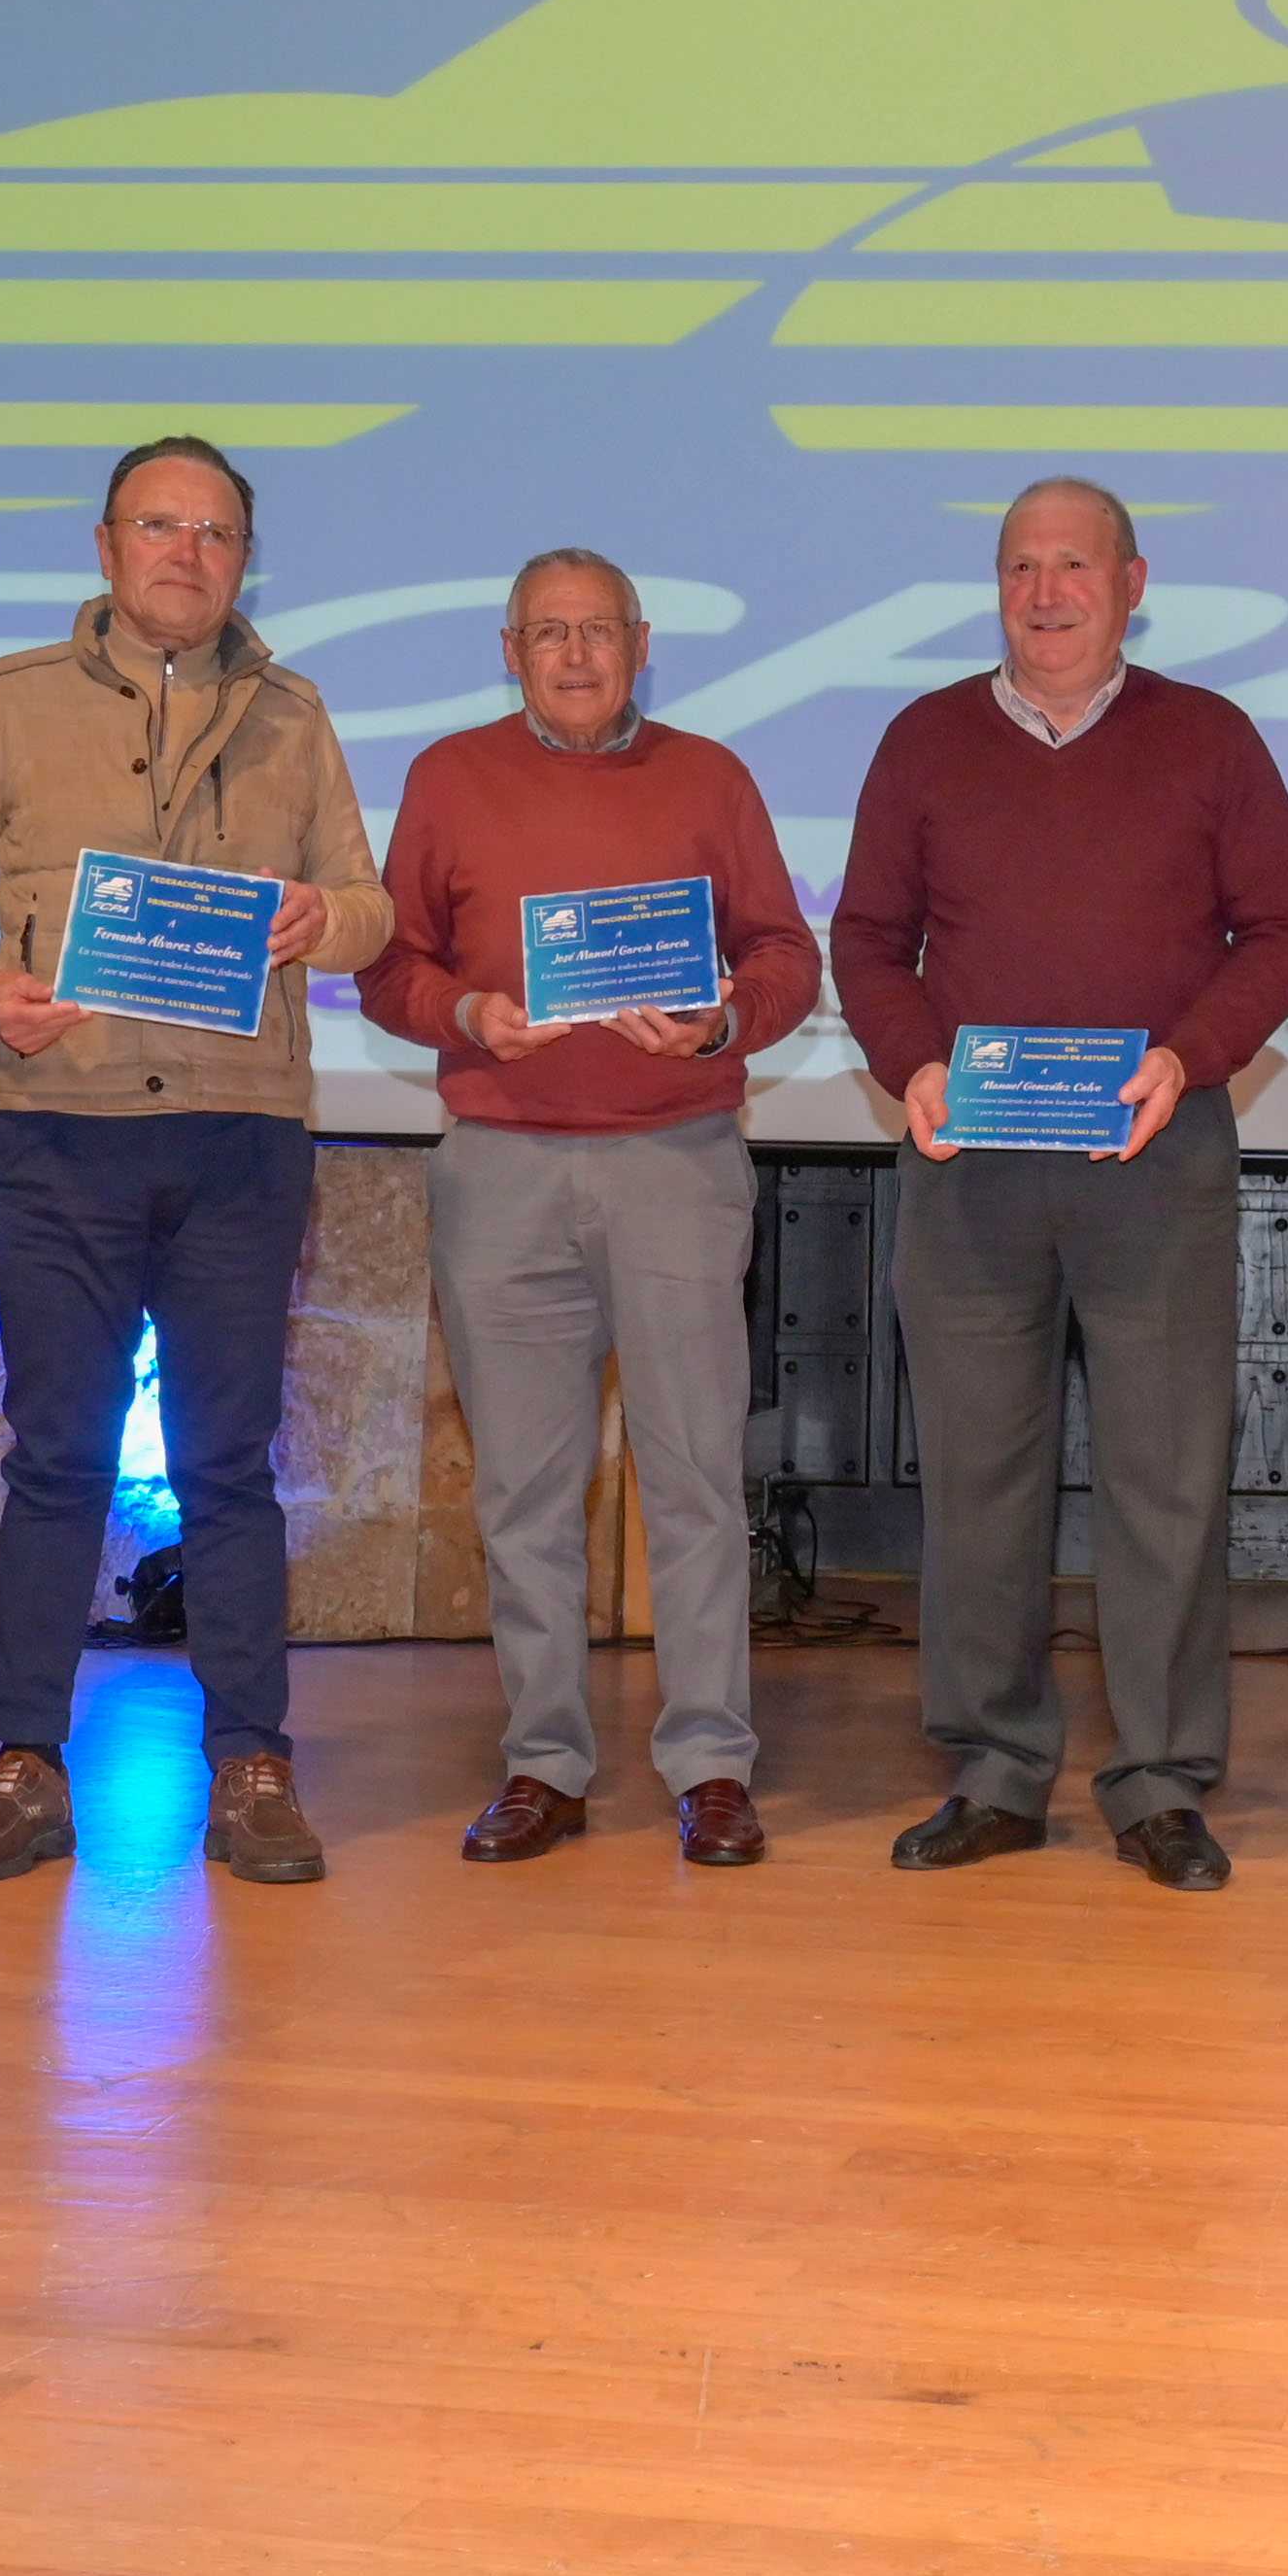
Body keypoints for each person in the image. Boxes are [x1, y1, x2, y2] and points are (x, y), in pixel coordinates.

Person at [0, 435, 390, 1888]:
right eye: (159, 525)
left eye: (217, 531)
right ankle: (23, 1758)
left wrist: (322, 921)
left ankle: (250, 1758)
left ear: (246, 558)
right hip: (64, 1130)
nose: (187, 551)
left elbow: (367, 903)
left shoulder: (297, 714)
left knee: (230, 1463)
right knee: (54, 1455)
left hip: (243, 1134)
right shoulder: (9, 702)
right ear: (106, 546)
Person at [832, 477, 1288, 1891]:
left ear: (1133, 580)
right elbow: (868, 939)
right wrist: (913, 1061)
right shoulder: (923, 739)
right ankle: (994, 1768)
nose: (1047, 591)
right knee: (979, 1479)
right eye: (1020, 567)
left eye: (1074, 565)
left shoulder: (1211, 739)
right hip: (971, 1159)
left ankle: (1161, 1779)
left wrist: (1191, 1054)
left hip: (1154, 1154)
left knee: (1165, 1483)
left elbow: (1283, 933)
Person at [355, 550, 822, 1866]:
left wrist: (725, 1014)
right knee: (523, 1492)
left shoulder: (710, 776)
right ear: (511, 648)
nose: (573, 653)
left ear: (640, 642)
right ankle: (545, 1759)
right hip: (501, 1165)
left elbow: (787, 949)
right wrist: (466, 1011)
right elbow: (392, 964)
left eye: (597, 630)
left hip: (674, 1157)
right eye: (548, 632)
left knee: (692, 1477)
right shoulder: (449, 775)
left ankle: (712, 1759)